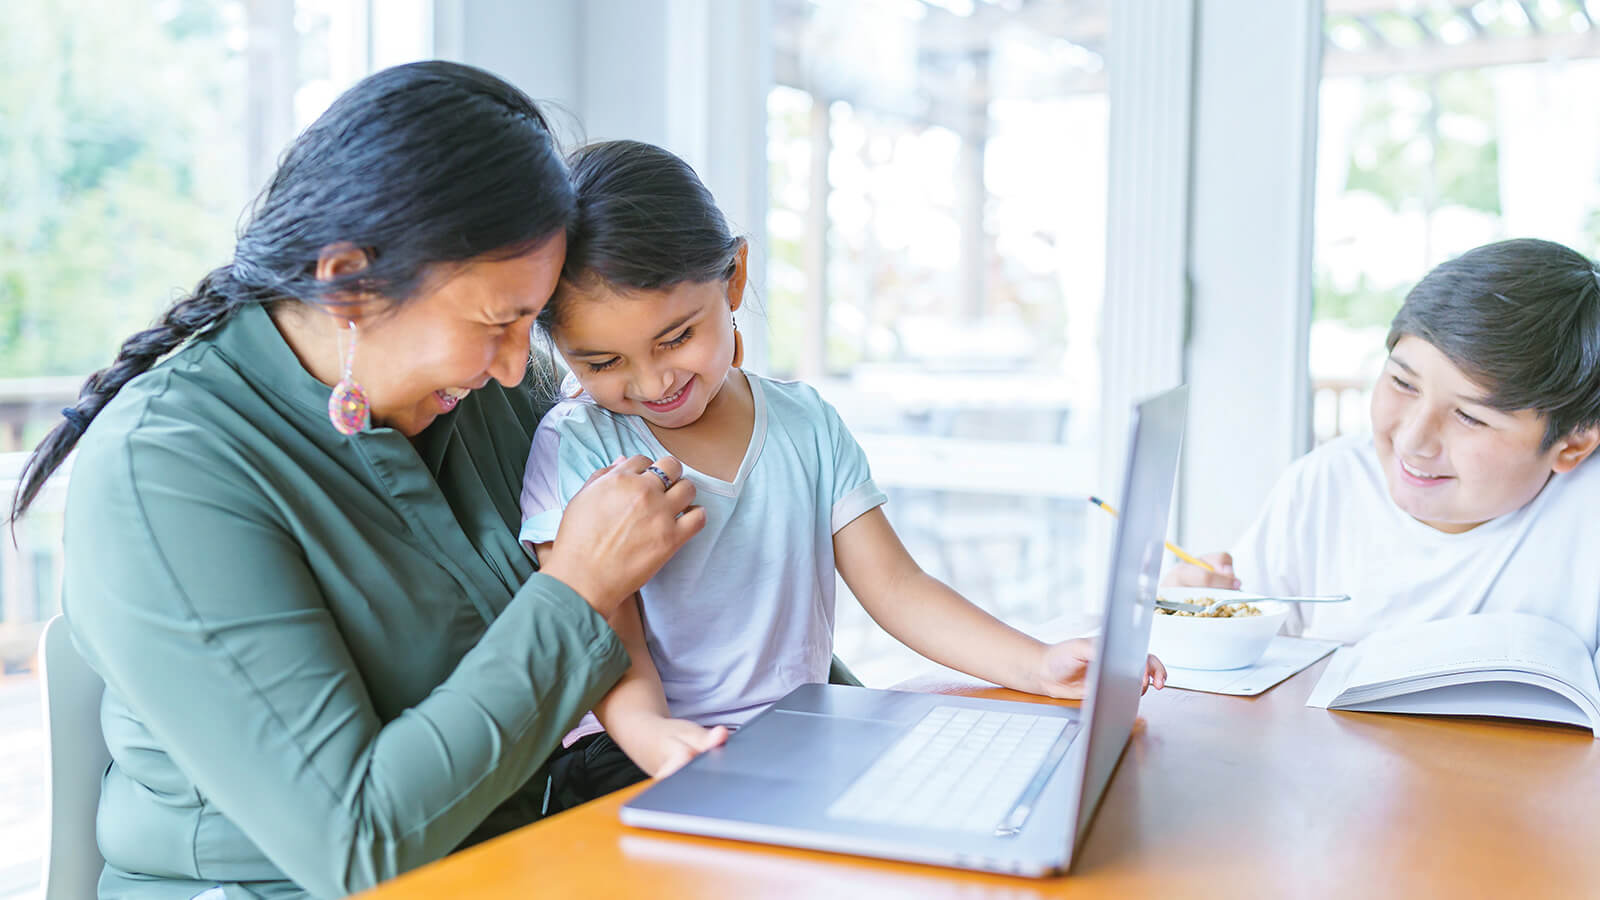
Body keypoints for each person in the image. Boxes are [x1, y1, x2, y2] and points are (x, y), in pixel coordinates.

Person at [7, 63, 707, 900]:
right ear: (347, 284)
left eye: (533, 318)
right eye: (497, 322)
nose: (522, 364)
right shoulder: (166, 467)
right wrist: (579, 587)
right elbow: (353, 845)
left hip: (524, 866)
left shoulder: (490, 392)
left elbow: (707, 623)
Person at [520, 140, 1167, 809]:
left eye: (676, 337)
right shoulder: (578, 443)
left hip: (792, 739)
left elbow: (898, 588)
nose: (652, 382)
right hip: (632, 754)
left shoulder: (806, 424)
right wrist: (658, 738)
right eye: (602, 363)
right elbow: (600, 626)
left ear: (735, 278)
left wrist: (1037, 662)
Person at [1169, 238, 1600, 651]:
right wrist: (1181, 616)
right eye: (1402, 382)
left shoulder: (1586, 511)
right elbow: (1234, 637)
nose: (1413, 442)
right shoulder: (1327, 484)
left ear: (1572, 447)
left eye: (1469, 416)